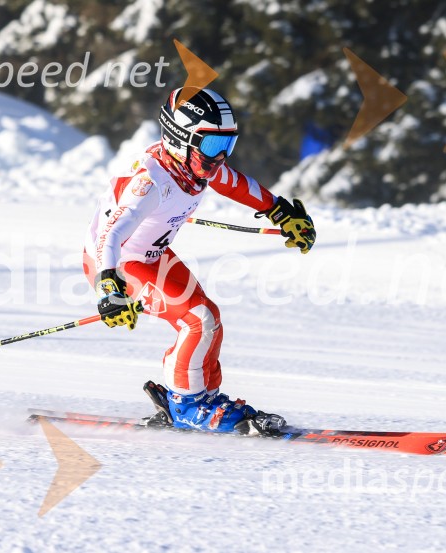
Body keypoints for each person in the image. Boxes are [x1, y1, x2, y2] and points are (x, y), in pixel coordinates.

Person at [83, 87, 316, 435]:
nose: (219, 156)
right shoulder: (150, 182)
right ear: (180, 138)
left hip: (152, 256)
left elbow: (234, 183)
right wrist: (109, 286)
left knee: (209, 316)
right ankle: (187, 404)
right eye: (211, 145)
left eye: (228, 145)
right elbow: (110, 235)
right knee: (197, 318)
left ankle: (204, 397)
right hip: (118, 264)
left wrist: (278, 210)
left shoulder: (193, 167)